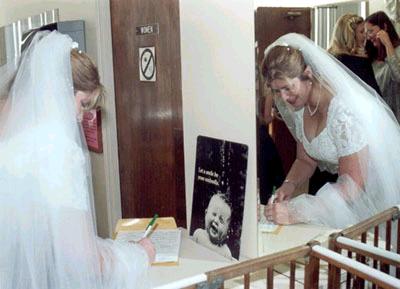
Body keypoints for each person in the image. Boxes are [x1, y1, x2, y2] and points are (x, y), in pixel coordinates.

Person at [0, 30, 155, 289]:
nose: (81, 117)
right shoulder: (56, 149)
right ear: (59, 91)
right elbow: (84, 263)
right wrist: (139, 255)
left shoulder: (10, 131)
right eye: (83, 104)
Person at [261, 33, 400, 230]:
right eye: (276, 91)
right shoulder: (300, 107)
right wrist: (289, 185)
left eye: (287, 88)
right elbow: (305, 159)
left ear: (308, 75)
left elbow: (352, 185)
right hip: (344, 190)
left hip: (373, 191)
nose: (283, 98)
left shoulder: (343, 113)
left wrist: (299, 211)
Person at [328, 13, 381, 95]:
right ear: (350, 36)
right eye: (361, 32)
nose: (365, 36)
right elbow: (375, 95)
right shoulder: (360, 63)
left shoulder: (330, 58)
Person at [365, 11, 400, 121]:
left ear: (384, 27)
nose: (369, 37)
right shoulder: (372, 57)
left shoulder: (398, 51)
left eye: (371, 31)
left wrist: (387, 43)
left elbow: (398, 76)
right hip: (380, 118)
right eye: (366, 33)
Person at [193, 193, 232, 259]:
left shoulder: (225, 253)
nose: (216, 220)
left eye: (221, 220)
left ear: (227, 230)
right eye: (214, 214)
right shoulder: (198, 235)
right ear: (206, 213)